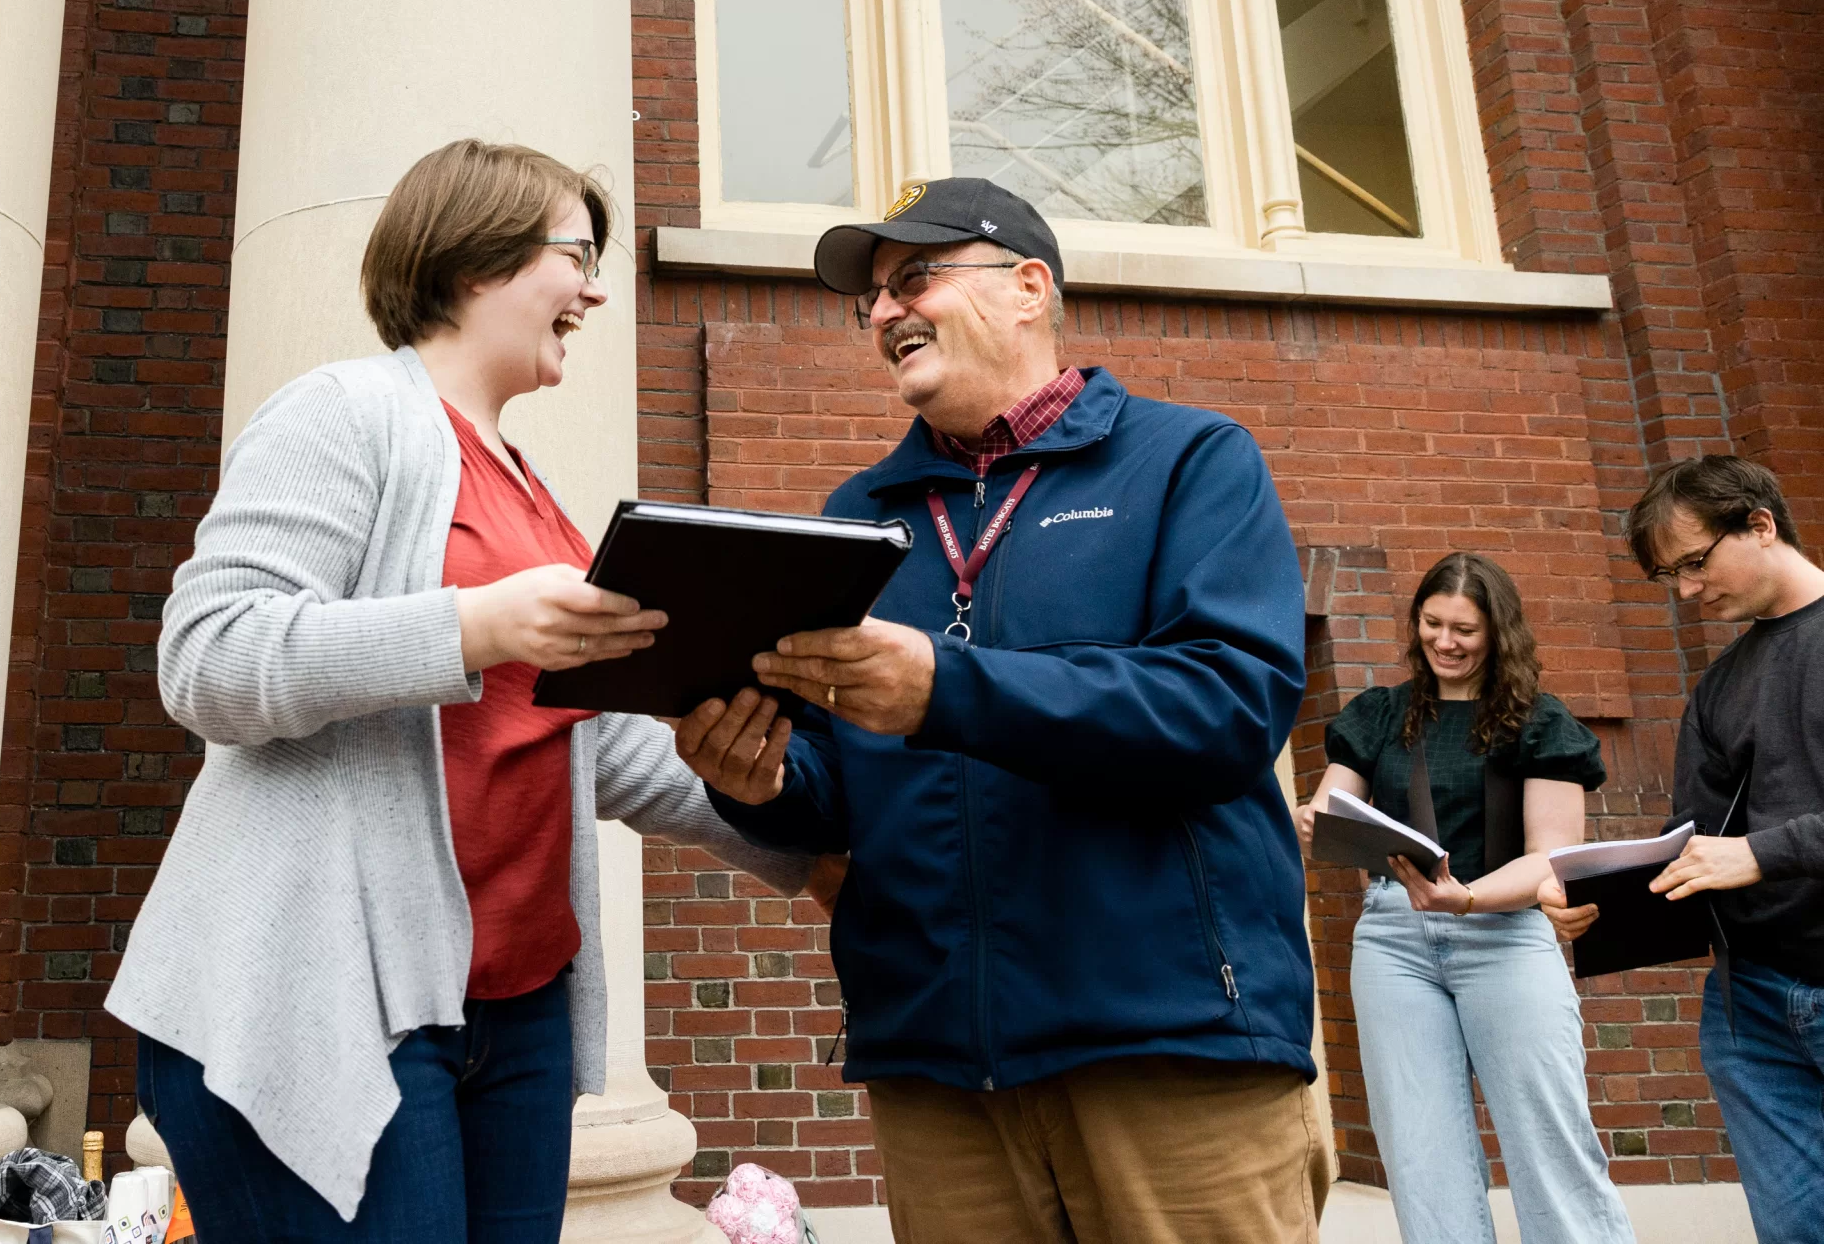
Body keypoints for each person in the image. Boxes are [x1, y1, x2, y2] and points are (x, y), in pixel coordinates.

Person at [105, 140, 809, 1243]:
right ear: (475, 259)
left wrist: (801, 844)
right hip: (331, 1000)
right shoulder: (338, 413)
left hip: (515, 1014)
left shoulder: (533, 490)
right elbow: (207, 659)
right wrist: (474, 625)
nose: (593, 289)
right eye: (575, 255)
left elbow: (580, 740)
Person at [674, 177, 1323, 1244]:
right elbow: (838, 791)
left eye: (913, 278)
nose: (882, 313)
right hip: (936, 1073)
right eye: (870, 300)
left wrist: (946, 688)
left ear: (1028, 288)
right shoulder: (855, 519)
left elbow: (1227, 708)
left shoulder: (1188, 461)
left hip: (1167, 1052)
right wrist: (763, 781)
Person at [1294, 552, 1634, 1244]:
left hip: (1505, 934)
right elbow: (1332, 806)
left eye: (1464, 629)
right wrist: (1313, 816)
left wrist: (1468, 898)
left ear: (1497, 633)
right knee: (1420, 1152)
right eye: (1431, 623)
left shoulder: (1539, 722)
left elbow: (1553, 857)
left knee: (1549, 1139)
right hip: (1392, 940)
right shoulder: (1380, 714)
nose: (1444, 641)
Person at [1539, 456, 1824, 1242]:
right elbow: (1690, 845)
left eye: (1694, 563)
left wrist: (1763, 851)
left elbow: (1744, 851)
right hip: (1752, 1008)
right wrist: (1600, 902)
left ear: (1760, 524)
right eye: (1670, 576)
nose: (1688, 592)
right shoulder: (1718, 684)